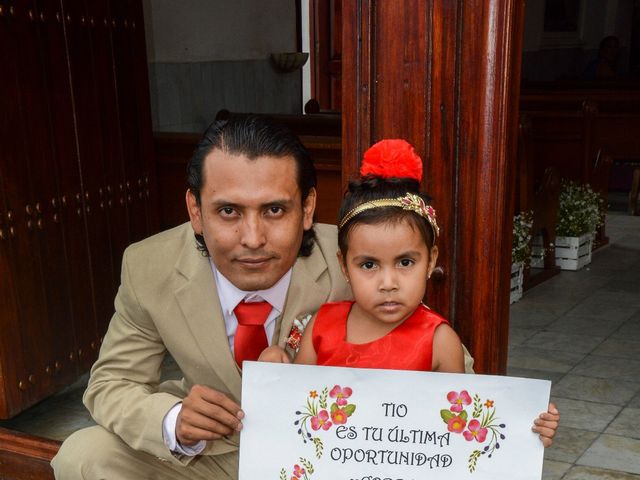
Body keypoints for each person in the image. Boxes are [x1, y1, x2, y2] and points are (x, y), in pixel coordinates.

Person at [52, 116, 474, 479]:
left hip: (328, 461)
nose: (252, 239)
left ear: (308, 208)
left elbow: (450, 367)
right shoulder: (150, 266)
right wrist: (174, 420)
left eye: (274, 210)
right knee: (84, 456)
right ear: (195, 211)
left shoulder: (364, 260)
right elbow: (112, 382)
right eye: (228, 211)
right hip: (214, 457)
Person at [260, 139, 560, 447]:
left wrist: (527, 428)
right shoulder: (322, 327)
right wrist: (276, 369)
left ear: (430, 260)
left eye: (405, 262)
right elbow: (294, 414)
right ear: (345, 266)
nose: (388, 282)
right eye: (368, 265)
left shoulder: (439, 342)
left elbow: (460, 434)